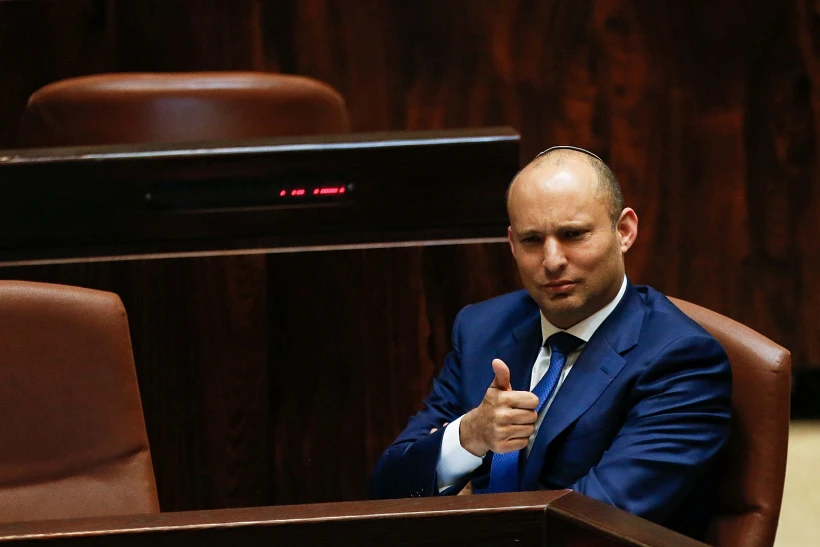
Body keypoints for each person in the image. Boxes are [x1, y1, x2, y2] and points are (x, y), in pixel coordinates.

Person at [369, 146, 732, 539]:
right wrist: (469, 435)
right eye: (532, 240)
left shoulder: (681, 359)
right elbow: (388, 488)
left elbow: (595, 524)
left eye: (573, 235)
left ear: (624, 231)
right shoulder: (482, 328)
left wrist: (467, 516)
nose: (553, 260)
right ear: (512, 244)